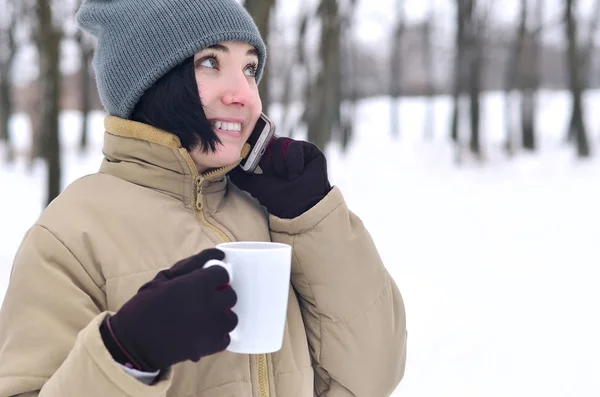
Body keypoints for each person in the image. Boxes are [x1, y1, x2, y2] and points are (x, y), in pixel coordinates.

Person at [0, 0, 407, 396]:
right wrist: (125, 353)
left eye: (249, 68)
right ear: (149, 81)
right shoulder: (71, 233)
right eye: (210, 62)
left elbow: (370, 378)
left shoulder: (273, 212)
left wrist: (313, 219)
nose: (244, 95)